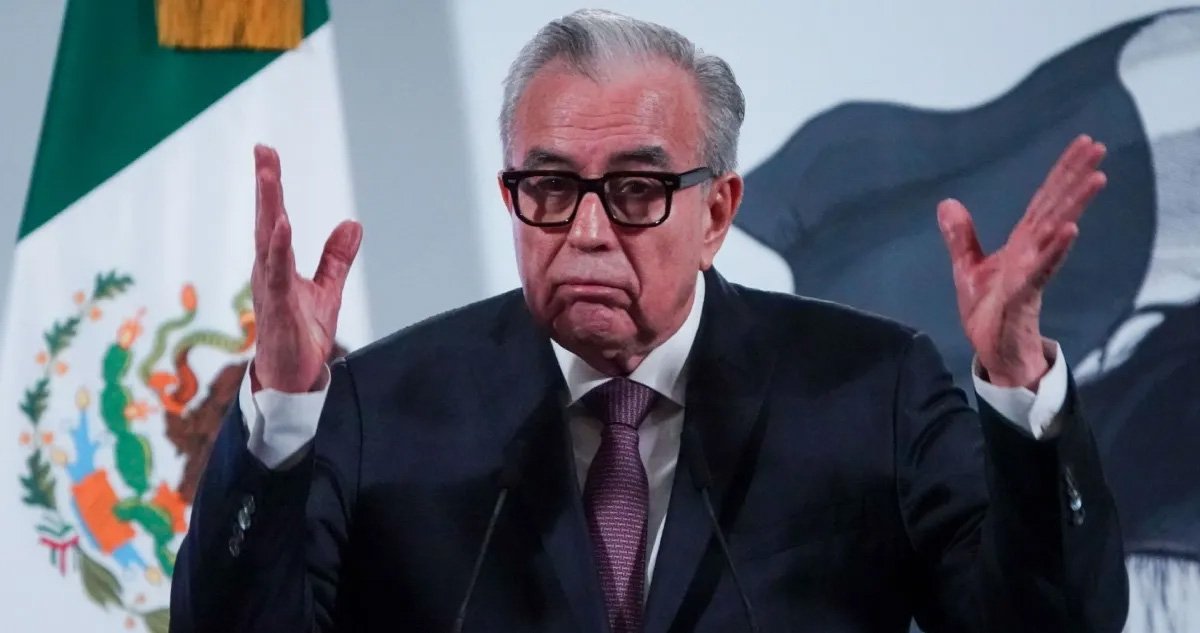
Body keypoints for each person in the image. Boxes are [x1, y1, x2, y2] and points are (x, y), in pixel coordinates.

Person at [169, 9, 1128, 633]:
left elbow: (1054, 624)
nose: (586, 231)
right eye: (549, 187)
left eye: (635, 190)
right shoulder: (383, 408)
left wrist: (1017, 386)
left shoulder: (871, 389)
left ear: (717, 211)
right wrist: (283, 412)